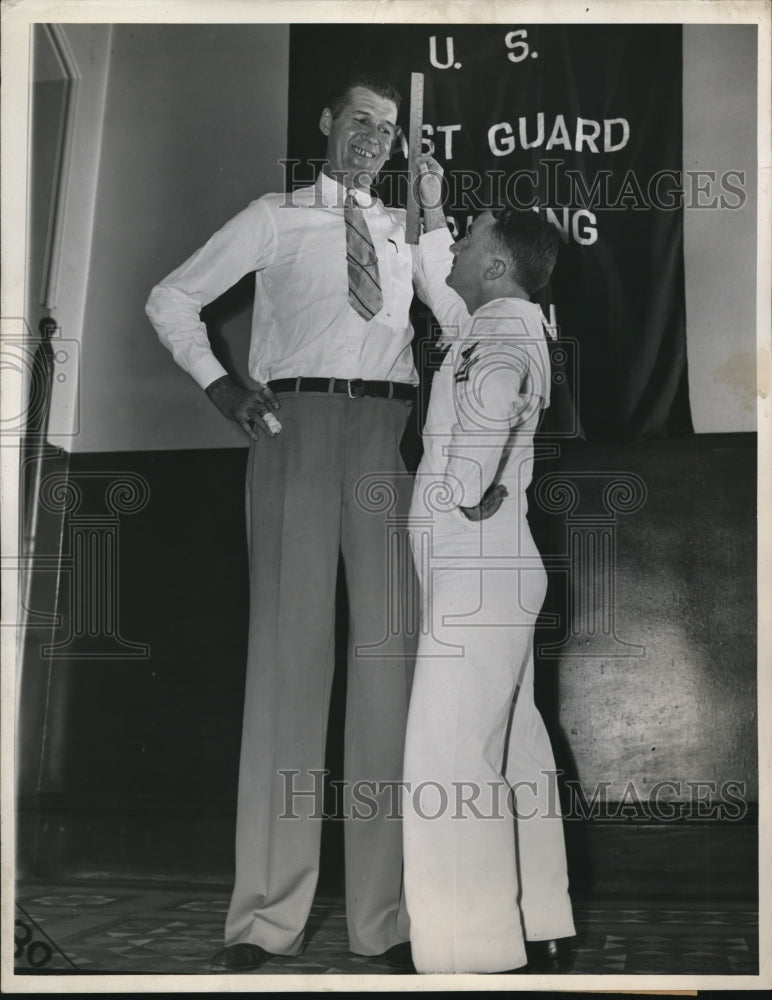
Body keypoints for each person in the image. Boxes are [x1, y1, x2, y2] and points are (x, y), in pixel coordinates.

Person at [145, 74, 435, 973]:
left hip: (390, 439)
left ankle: (384, 920)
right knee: (286, 669)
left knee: (388, 672)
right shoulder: (272, 216)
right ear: (325, 124)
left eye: (386, 129)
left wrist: (431, 218)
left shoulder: (406, 233)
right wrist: (222, 384)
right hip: (292, 431)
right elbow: (170, 300)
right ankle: (264, 919)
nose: (371, 138)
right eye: (358, 120)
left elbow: (455, 312)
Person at [402, 172, 577, 974]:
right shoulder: (505, 318)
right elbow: (442, 291)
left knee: (449, 758)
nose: (460, 250)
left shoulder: (500, 337)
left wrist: (465, 480)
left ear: (499, 265)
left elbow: (491, 406)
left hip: (476, 576)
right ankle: (540, 919)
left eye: (470, 239)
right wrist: (435, 213)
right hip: (501, 571)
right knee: (515, 751)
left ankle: (468, 950)